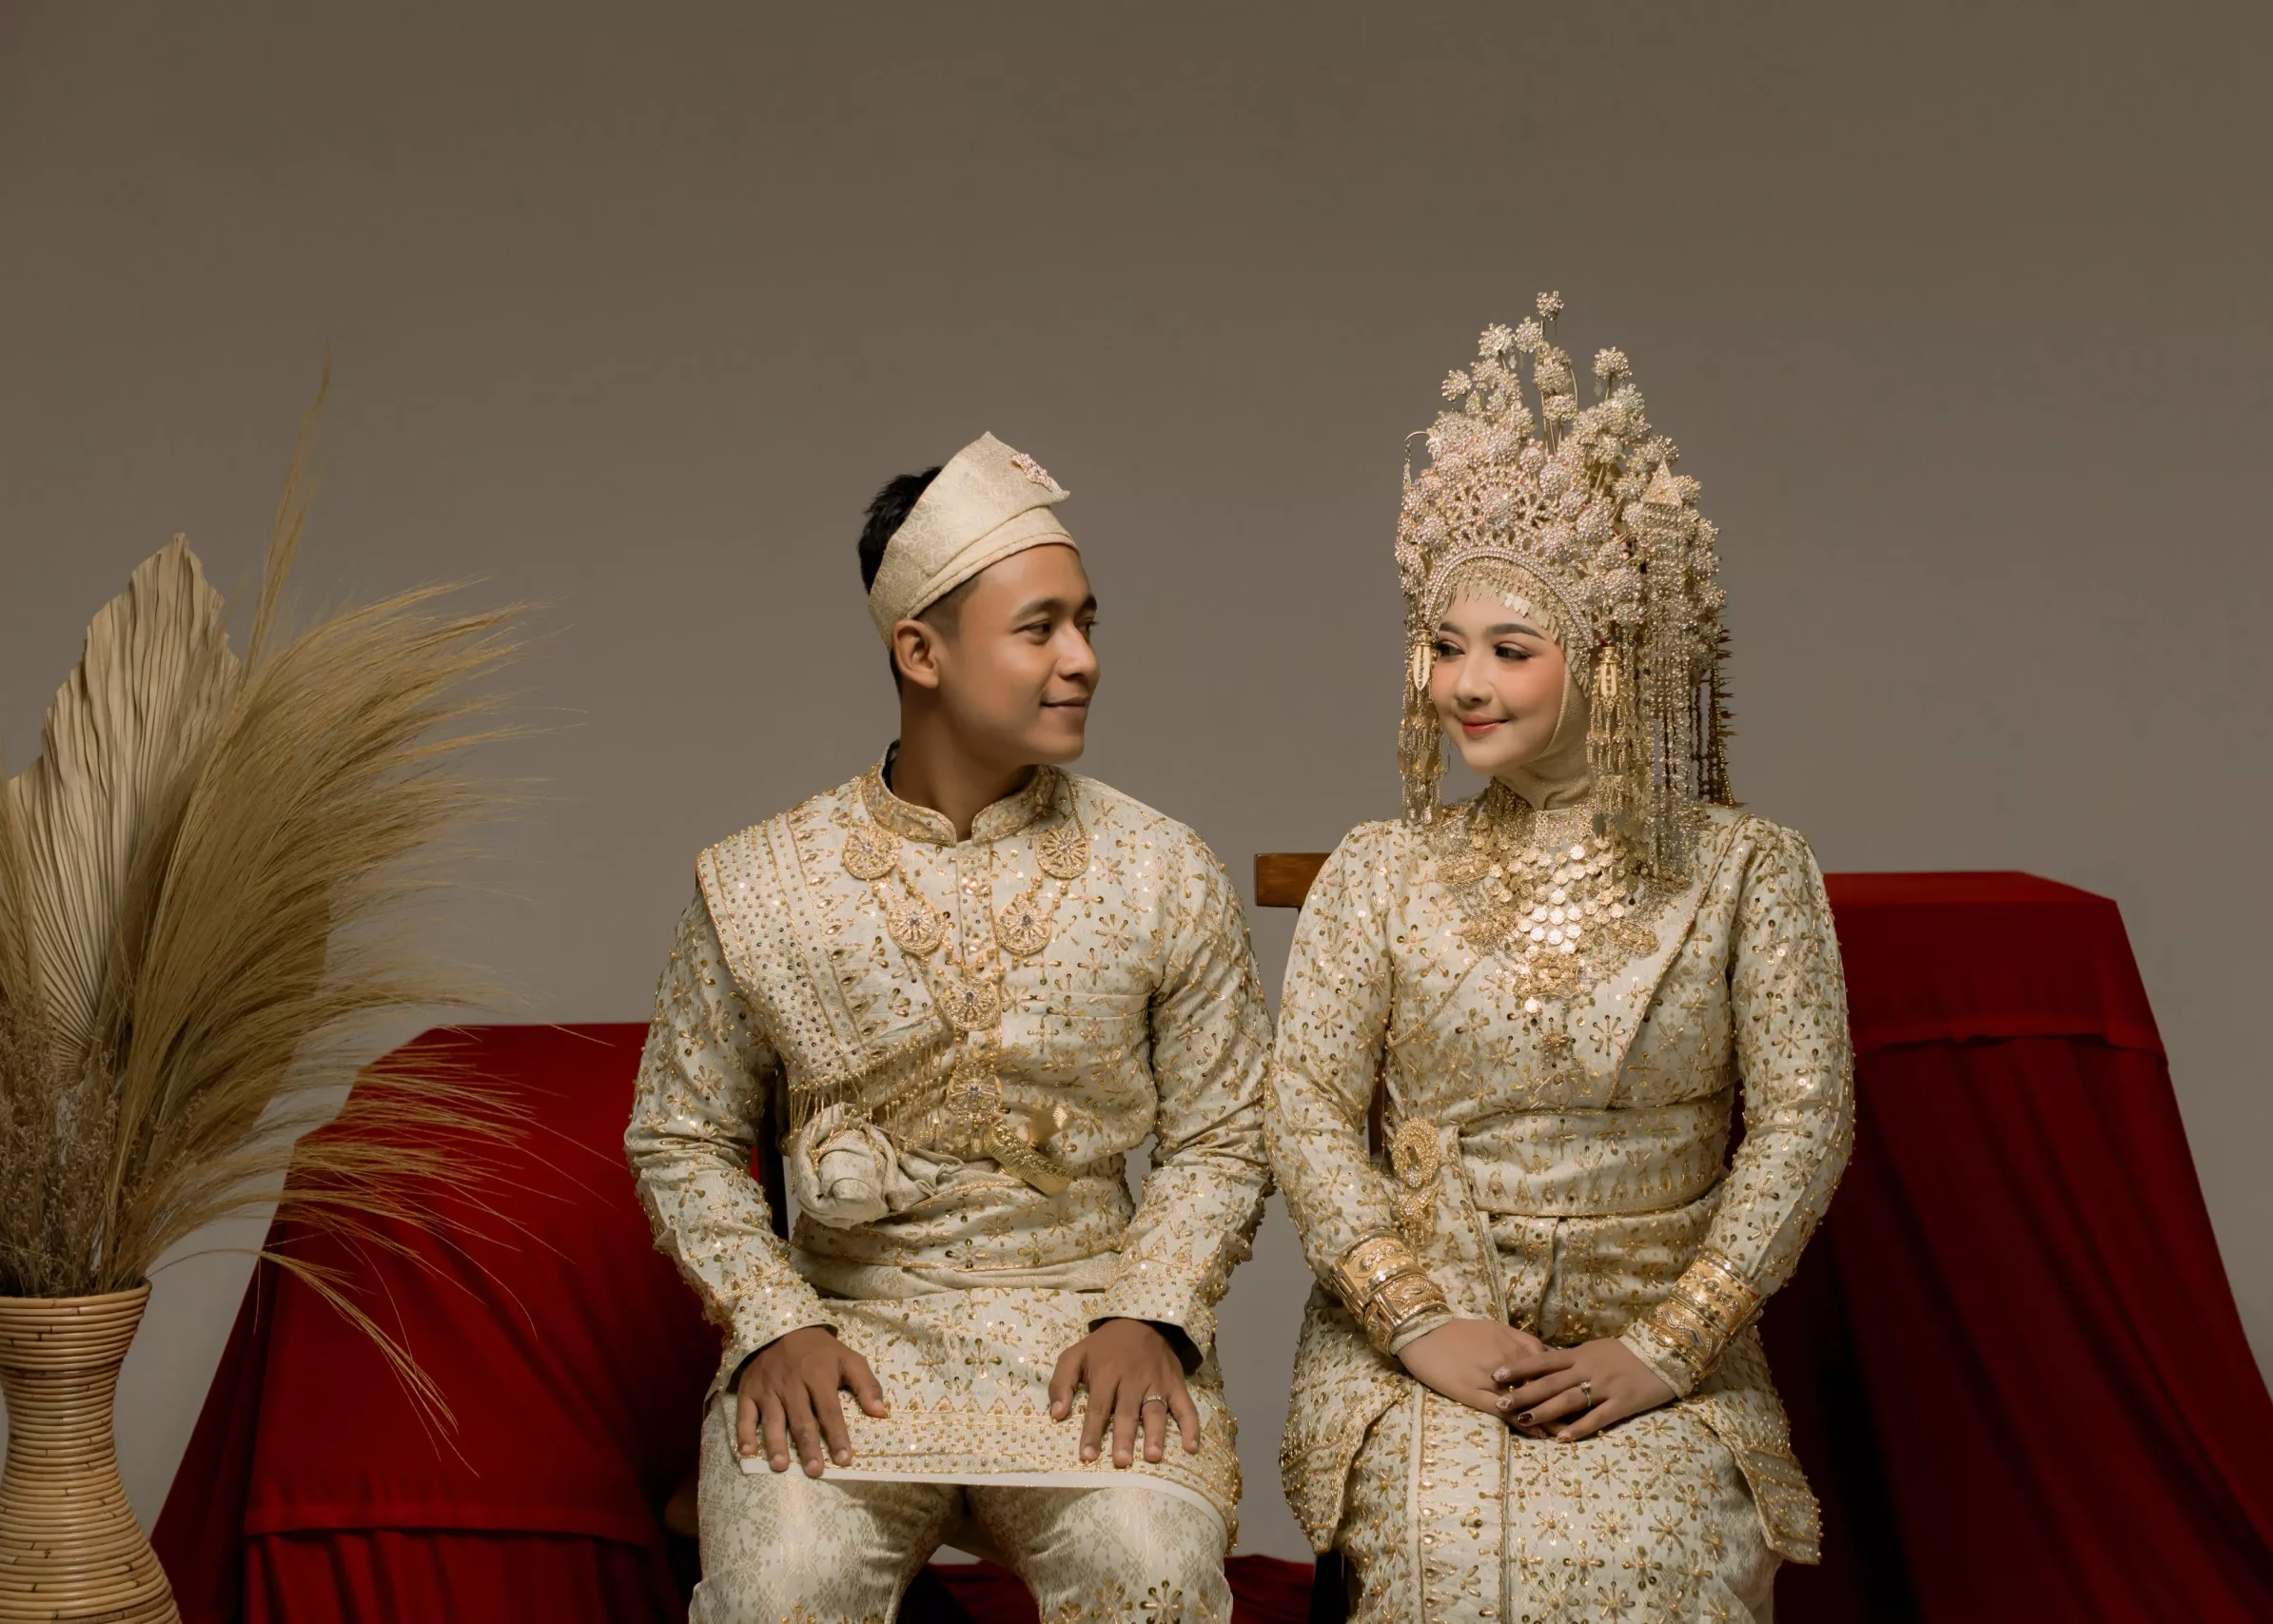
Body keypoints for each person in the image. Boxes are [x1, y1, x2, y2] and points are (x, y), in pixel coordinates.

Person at [1264, 297, 1856, 1622]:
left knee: (1661, 1571)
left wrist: (1667, 1345)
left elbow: (1804, 1120)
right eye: (1443, 646)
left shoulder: (1747, 871)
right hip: (1426, 1339)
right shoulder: (1379, 868)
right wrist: (1417, 1319)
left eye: (1508, 650)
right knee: (1445, 1566)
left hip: (1663, 1348)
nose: (1462, 683)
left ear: (1606, 662)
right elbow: (1302, 1108)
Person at [628, 433, 1269, 1622]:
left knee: (1149, 1573)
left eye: (1087, 622)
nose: (1081, 659)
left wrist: (1149, 1314)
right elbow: (681, 1136)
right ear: (919, 651)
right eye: (1039, 629)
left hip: (1088, 1326)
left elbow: (1226, 1133)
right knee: (783, 1590)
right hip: (846, 1333)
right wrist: (773, 1325)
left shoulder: (1160, 869)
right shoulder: (763, 881)